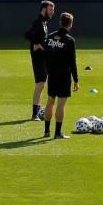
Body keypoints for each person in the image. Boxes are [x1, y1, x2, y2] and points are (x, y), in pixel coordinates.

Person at [41, 11, 80, 139]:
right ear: (71, 24)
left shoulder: (50, 37)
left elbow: (45, 56)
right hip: (63, 76)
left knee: (50, 101)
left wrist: (48, 70)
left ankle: (46, 131)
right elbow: (72, 62)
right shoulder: (69, 40)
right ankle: (57, 133)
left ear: (60, 22)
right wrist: (76, 80)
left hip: (52, 74)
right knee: (61, 103)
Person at [23, 0, 56, 120]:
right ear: (44, 9)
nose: (52, 12)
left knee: (42, 84)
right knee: (40, 83)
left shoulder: (44, 22)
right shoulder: (38, 22)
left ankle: (37, 111)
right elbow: (27, 35)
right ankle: (34, 114)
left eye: (53, 10)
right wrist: (36, 44)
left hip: (43, 57)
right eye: (51, 9)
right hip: (38, 58)